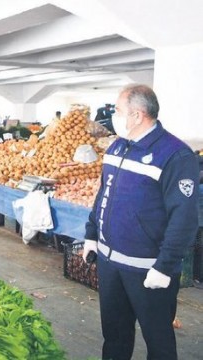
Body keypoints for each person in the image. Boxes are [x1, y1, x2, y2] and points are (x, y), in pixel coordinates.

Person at [82, 84, 199, 360]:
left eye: (118, 110)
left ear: (136, 115)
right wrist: (91, 234)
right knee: (115, 336)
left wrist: (165, 266)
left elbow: (184, 218)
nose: (114, 116)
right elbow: (104, 195)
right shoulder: (118, 147)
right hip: (111, 265)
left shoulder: (175, 155)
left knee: (158, 342)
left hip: (148, 271)